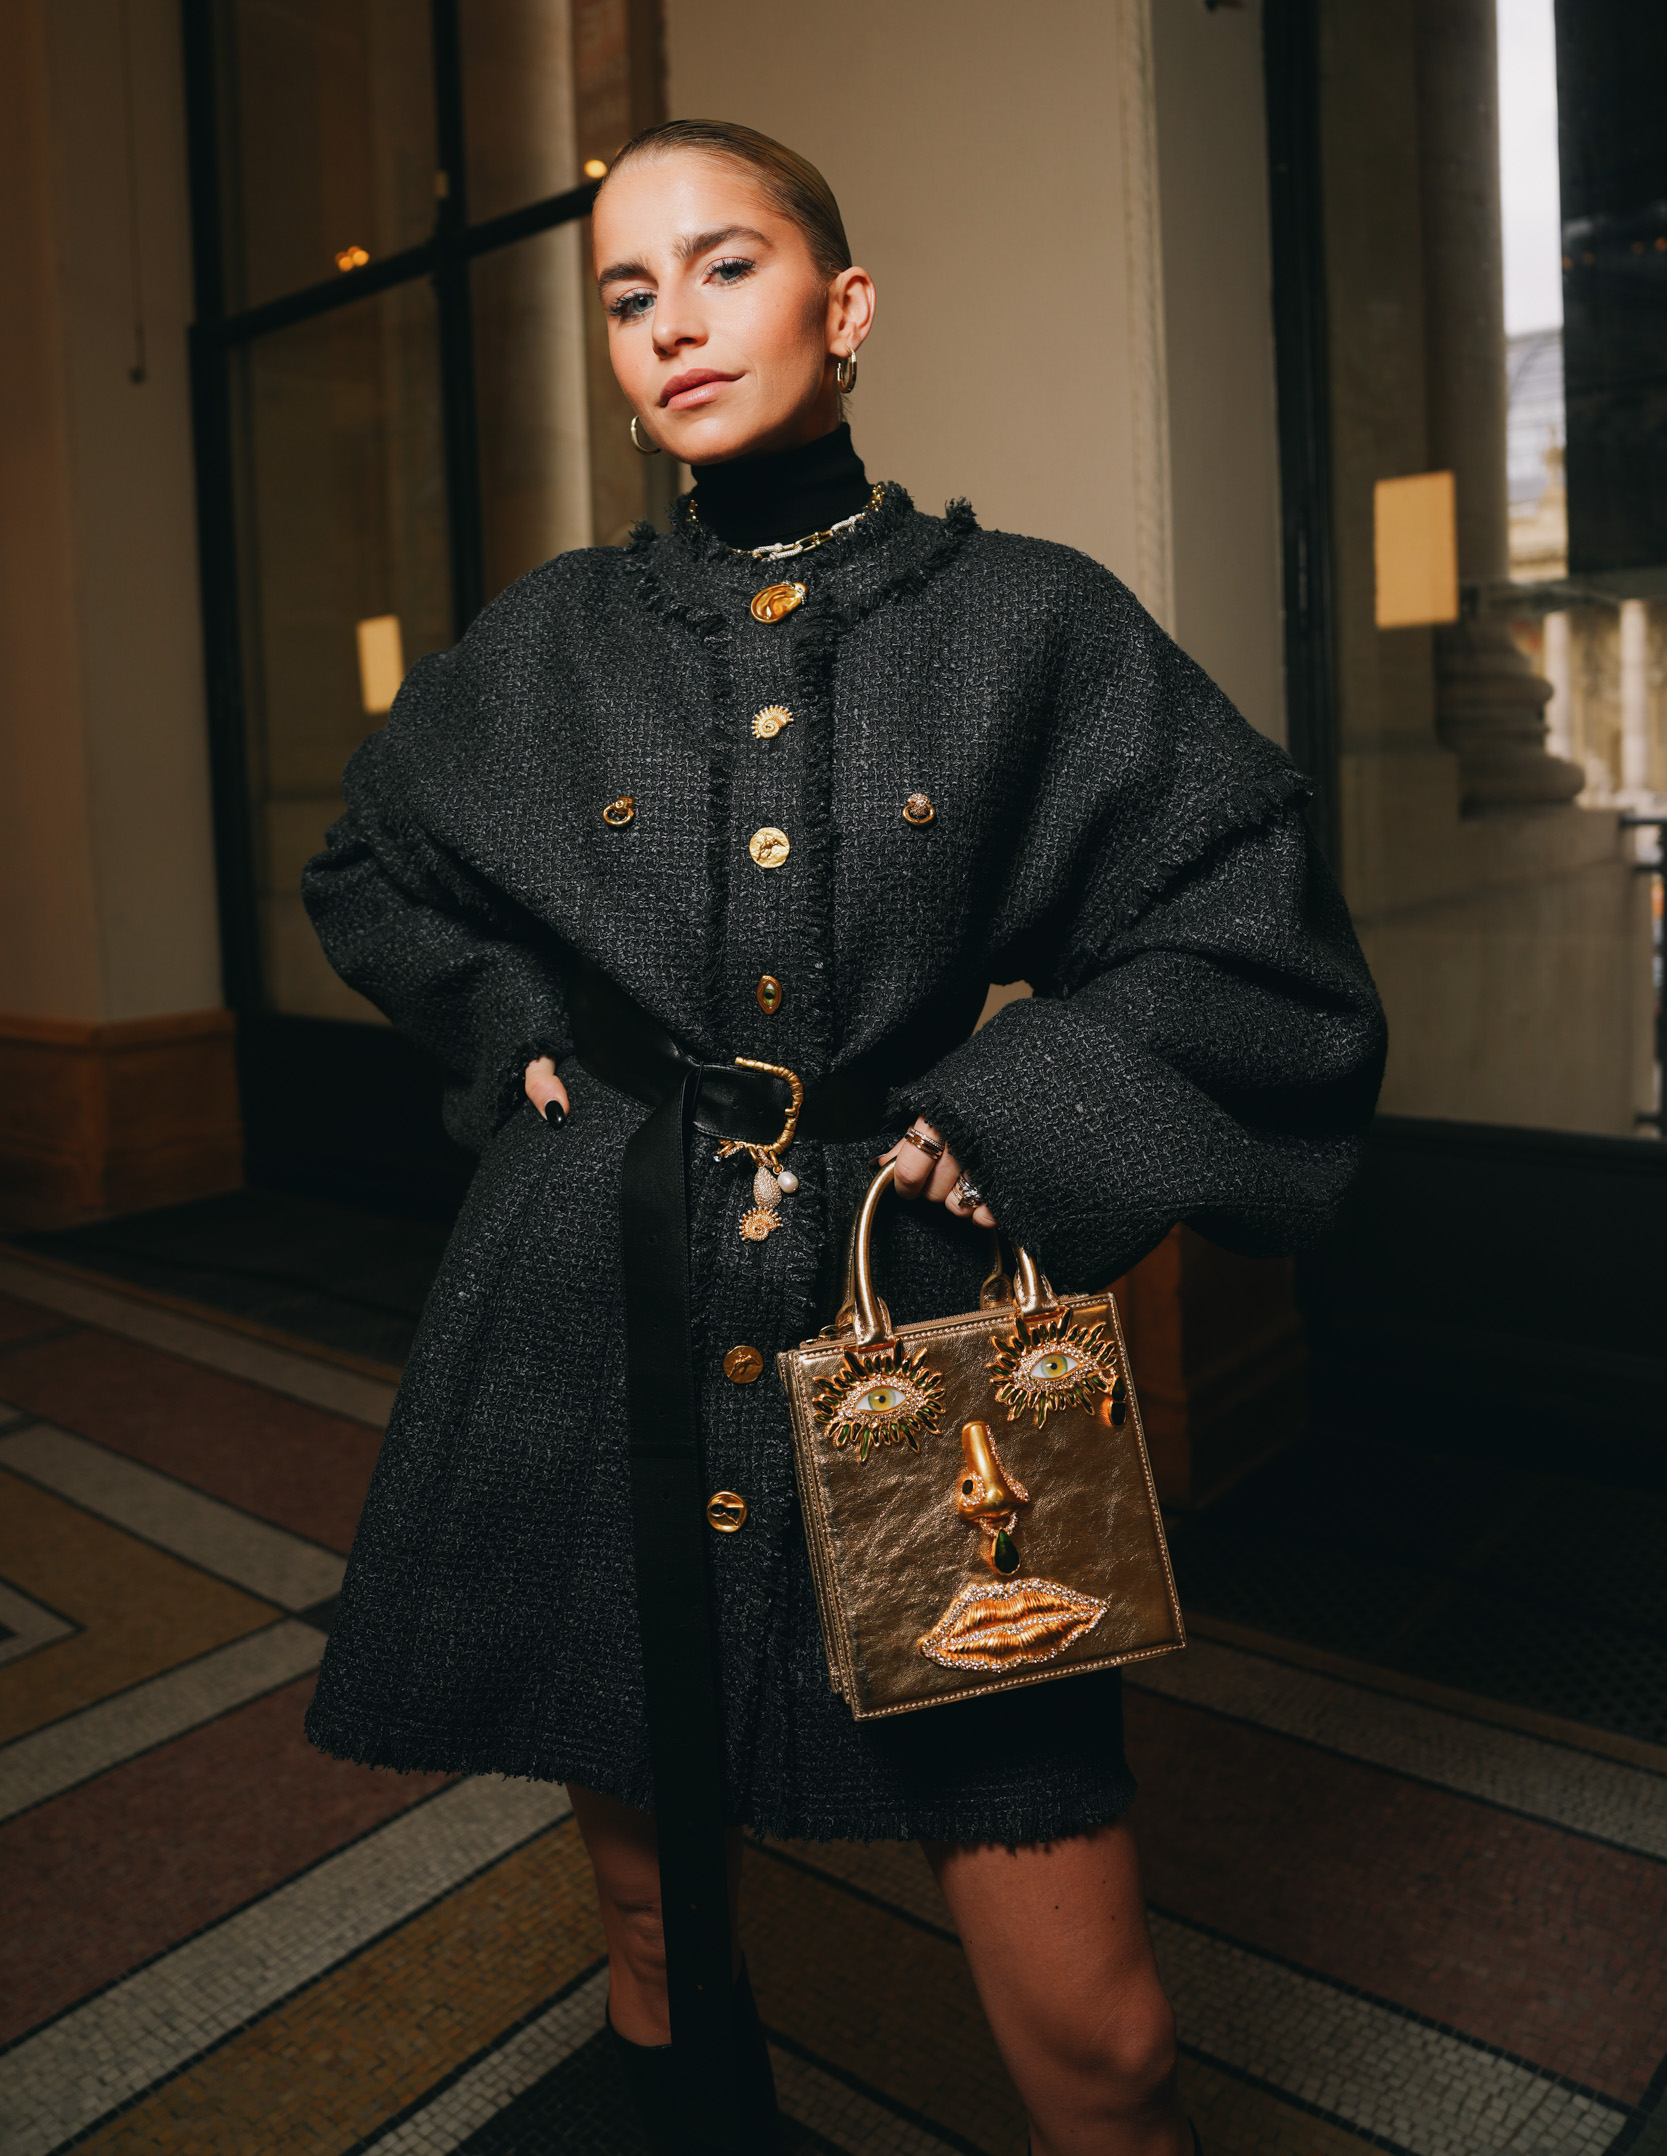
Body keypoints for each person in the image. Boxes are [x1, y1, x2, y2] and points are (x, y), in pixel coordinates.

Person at [301, 119, 1386, 2156]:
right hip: (597, 1295)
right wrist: (515, 1013)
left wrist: (1021, 1107)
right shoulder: (549, 639)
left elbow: (1260, 934)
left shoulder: (1030, 622)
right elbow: (372, 867)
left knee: (1106, 2041)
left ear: (845, 304)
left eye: (723, 265)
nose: (672, 324)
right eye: (629, 293)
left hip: (940, 1333)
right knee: (649, 1927)